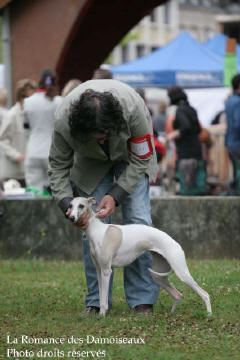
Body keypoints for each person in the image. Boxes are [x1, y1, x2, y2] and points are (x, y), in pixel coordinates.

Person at [48, 79, 160, 315]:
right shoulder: (63, 121)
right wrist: (69, 205)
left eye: (105, 134)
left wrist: (115, 195)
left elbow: (141, 158)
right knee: (93, 232)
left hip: (132, 159)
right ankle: (96, 302)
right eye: (95, 136)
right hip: (90, 165)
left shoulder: (134, 108)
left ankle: (142, 300)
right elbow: (58, 167)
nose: (101, 140)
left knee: (139, 222)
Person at [23, 69, 62, 193]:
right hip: (53, 152)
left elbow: (26, 128)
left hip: (33, 151)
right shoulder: (59, 102)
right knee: (57, 191)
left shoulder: (27, 102)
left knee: (35, 192)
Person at [166, 86, 205, 195]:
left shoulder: (180, 110)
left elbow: (185, 126)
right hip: (197, 152)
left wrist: (173, 134)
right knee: (199, 185)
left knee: (187, 187)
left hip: (185, 154)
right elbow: (198, 129)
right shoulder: (191, 109)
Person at [0, 79, 37, 186]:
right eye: (30, 97)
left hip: (28, 172)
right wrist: (16, 155)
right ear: (21, 98)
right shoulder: (11, 115)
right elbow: (1, 140)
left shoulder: (31, 115)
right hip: (12, 174)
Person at [225, 73, 240, 195]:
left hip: (230, 142)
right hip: (237, 142)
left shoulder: (230, 101)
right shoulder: (238, 102)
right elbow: (238, 124)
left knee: (235, 174)